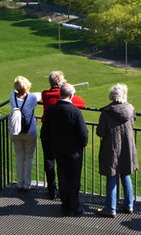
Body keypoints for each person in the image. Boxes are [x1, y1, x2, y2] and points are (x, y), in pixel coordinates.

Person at [42, 83, 89, 216]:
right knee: (74, 179)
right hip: (74, 152)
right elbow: (83, 134)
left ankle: (64, 205)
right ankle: (73, 207)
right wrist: (82, 145)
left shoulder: (51, 110)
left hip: (58, 150)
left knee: (62, 177)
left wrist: (53, 145)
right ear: (71, 95)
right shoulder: (75, 111)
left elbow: (45, 132)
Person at [96, 83, 138, 218]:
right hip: (127, 146)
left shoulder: (107, 112)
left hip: (111, 147)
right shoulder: (131, 109)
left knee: (112, 176)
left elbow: (100, 132)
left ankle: (110, 208)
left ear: (112, 96)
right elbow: (133, 122)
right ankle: (129, 205)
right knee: (126, 174)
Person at [9, 76, 39, 192]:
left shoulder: (12, 96)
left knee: (19, 157)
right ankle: (27, 184)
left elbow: (15, 93)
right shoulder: (32, 97)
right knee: (29, 158)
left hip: (16, 131)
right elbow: (38, 95)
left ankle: (19, 183)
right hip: (30, 131)